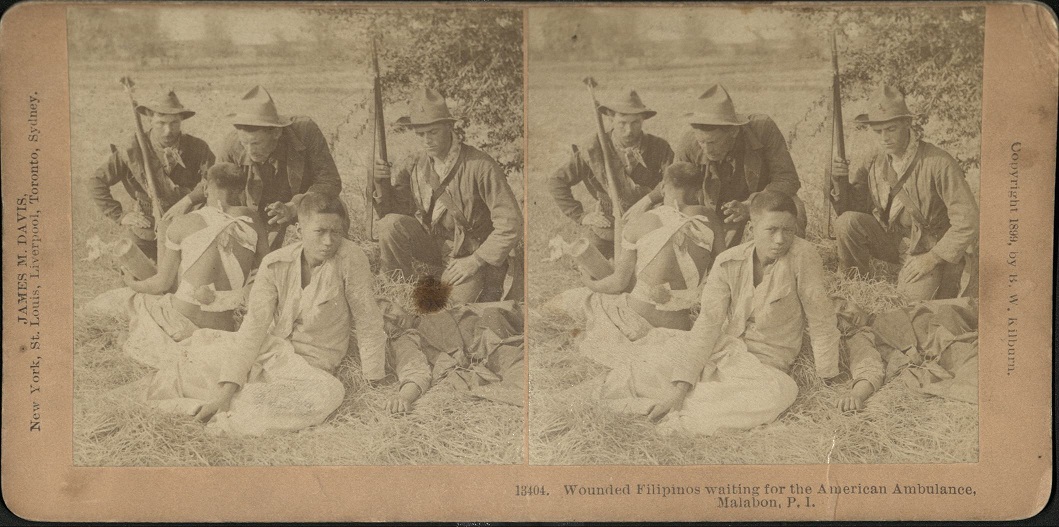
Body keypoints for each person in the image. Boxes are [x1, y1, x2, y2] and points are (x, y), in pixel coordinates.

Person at [600, 191, 884, 434]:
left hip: (764, 365)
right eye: (771, 230)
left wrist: (827, 375)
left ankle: (684, 415)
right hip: (725, 351)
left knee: (781, 392)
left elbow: (820, 317)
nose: (780, 239)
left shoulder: (804, 256)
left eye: (788, 230)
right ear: (752, 227)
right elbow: (708, 325)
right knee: (657, 354)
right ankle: (677, 398)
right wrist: (680, 384)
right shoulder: (727, 262)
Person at [149, 193, 431, 434]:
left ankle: (232, 416)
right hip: (270, 353)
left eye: (336, 232)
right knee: (197, 355)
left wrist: (373, 380)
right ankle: (225, 400)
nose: (329, 241)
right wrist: (227, 389)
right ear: (301, 229)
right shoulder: (275, 263)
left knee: (330, 394)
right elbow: (253, 329)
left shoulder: (350, 258)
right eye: (320, 231)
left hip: (309, 368)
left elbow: (367, 318)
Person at [372, 87, 523, 304]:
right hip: (435, 246)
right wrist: (379, 182)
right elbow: (396, 215)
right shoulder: (417, 164)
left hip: (470, 253)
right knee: (389, 225)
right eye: (421, 134)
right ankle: (398, 293)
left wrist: (475, 261)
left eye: (433, 132)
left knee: (446, 311)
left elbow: (512, 224)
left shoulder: (480, 165)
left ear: (449, 127)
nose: (427, 141)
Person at [830, 85, 979, 301]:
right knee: (847, 222)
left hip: (928, 247)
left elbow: (969, 220)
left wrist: (933, 258)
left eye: (891, 129)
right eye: (878, 131)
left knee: (909, 304)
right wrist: (838, 180)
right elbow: (855, 210)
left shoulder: (938, 163)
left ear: (907, 124)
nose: (884, 138)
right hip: (893, 239)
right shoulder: (875, 161)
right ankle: (856, 283)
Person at [570, 162, 723, 368]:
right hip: (678, 328)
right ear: (698, 190)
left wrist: (590, 283)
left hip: (635, 321)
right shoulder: (710, 219)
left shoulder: (640, 222)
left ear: (662, 188)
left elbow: (618, 283)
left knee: (588, 301)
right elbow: (724, 265)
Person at [117, 162, 270, 368]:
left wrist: (131, 283)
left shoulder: (182, 223)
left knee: (137, 302)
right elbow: (263, 270)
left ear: (206, 188)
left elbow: (161, 285)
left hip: (184, 323)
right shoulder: (252, 220)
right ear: (241, 190)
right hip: (226, 328)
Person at [628, 83, 806, 248]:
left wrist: (751, 205)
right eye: (701, 143)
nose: (706, 149)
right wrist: (647, 201)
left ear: (734, 131)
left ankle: (790, 269)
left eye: (712, 143)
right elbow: (675, 182)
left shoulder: (762, 129)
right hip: (716, 212)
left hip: (761, 204)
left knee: (795, 206)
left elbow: (787, 179)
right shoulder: (690, 143)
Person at [165, 85, 342, 250]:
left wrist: (294, 207)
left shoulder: (304, 132)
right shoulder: (232, 143)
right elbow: (213, 183)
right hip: (261, 213)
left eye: (256, 143)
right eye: (245, 143)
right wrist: (187, 201)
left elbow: (329, 181)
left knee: (327, 237)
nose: (250, 151)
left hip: (304, 205)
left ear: (276, 133)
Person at [88, 89, 215, 261]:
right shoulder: (133, 149)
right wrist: (121, 215)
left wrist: (189, 201)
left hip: (187, 219)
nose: (168, 130)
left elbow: (213, 181)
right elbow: (96, 181)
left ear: (182, 121)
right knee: (134, 269)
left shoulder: (197, 147)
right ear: (149, 120)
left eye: (174, 123)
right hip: (148, 224)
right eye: (161, 123)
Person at [548, 89, 674, 259]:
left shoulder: (659, 147)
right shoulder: (594, 148)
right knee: (590, 265)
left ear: (643, 119)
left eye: (635, 123)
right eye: (622, 123)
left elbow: (672, 181)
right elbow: (557, 181)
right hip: (610, 225)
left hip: (650, 221)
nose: (629, 130)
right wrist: (582, 216)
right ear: (610, 119)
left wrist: (648, 200)